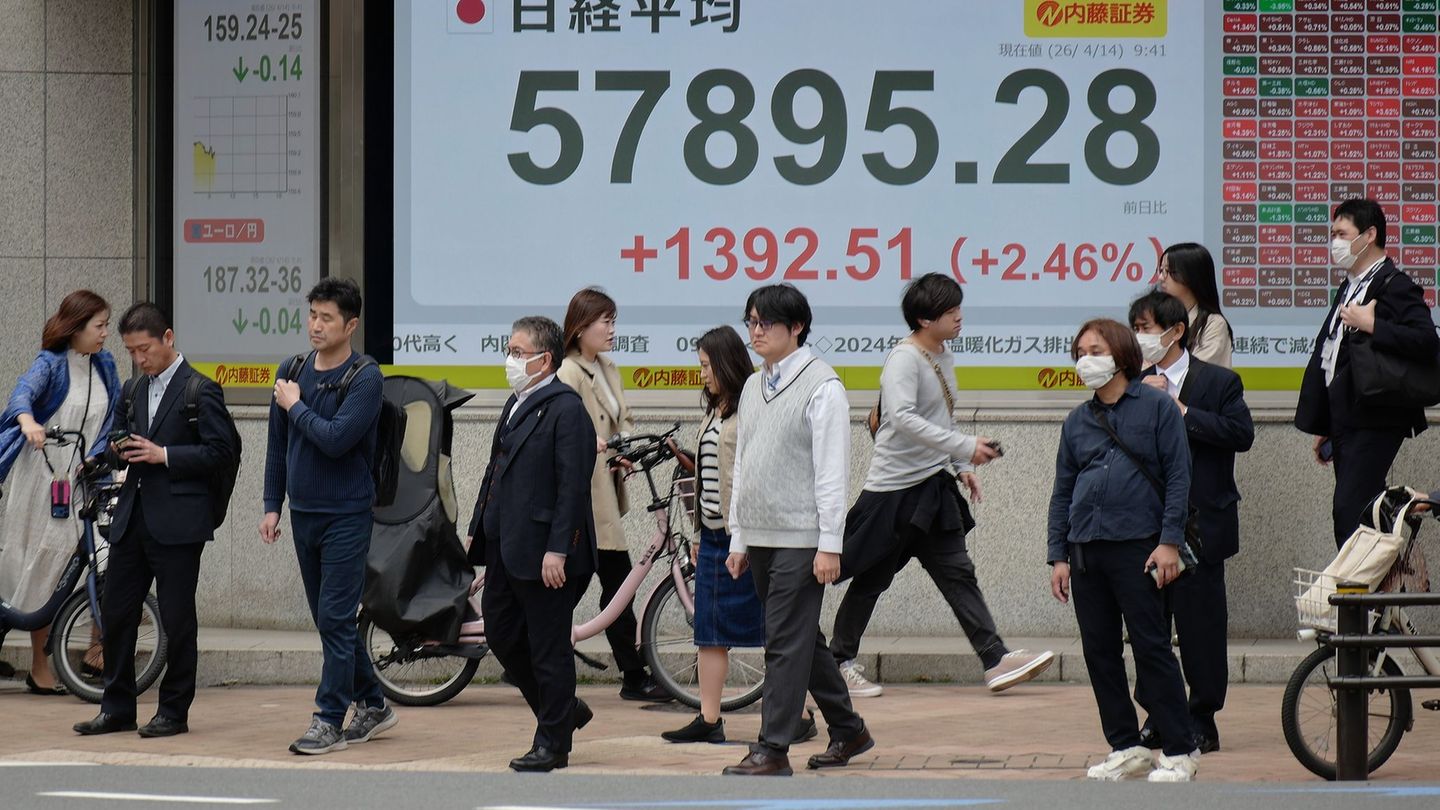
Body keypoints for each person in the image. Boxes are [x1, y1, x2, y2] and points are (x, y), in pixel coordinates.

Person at [831, 274, 1053, 698]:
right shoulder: (904, 359)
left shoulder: (943, 355)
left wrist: (960, 465)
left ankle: (995, 658)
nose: (959, 317)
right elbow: (902, 418)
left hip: (932, 490)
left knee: (958, 574)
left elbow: (941, 419)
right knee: (871, 579)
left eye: (958, 309)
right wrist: (965, 446)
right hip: (893, 493)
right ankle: (838, 663)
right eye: (950, 311)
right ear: (924, 319)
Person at [722, 284, 871, 776]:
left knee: (783, 643)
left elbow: (832, 473)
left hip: (803, 539)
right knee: (801, 638)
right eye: (751, 322)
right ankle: (848, 728)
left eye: (765, 322)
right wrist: (739, 536)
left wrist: (830, 544)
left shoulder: (823, 386)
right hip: (761, 535)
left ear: (797, 327)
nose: (756, 331)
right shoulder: (753, 386)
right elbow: (744, 463)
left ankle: (772, 748)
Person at [72, 303, 240, 738]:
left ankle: (173, 711)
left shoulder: (200, 389)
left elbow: (222, 451)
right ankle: (117, 708)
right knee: (116, 612)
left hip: (179, 522)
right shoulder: (132, 389)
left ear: (168, 338)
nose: (139, 359)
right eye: (131, 351)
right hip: (132, 517)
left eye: (144, 349)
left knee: (177, 619)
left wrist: (163, 454)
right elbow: (117, 443)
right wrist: (115, 451)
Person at [1047, 318, 1199, 782]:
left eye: (1095, 351)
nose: (1085, 360)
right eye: (1080, 353)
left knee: (1152, 648)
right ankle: (1126, 745)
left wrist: (1169, 542)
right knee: (1100, 652)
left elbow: (1179, 477)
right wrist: (1058, 555)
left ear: (1120, 354)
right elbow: (1062, 490)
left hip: (1139, 546)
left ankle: (1181, 750)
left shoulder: (1157, 408)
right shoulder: (1077, 420)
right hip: (1085, 549)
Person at [663, 326, 818, 744]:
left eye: (706, 366)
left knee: (776, 632)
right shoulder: (715, 409)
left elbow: (750, 474)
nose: (702, 374)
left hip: (745, 538)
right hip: (714, 538)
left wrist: (743, 538)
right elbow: (708, 475)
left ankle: (799, 714)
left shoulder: (749, 406)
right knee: (709, 632)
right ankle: (709, 719)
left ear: (725, 363)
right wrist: (698, 531)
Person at [260, 278, 396, 755]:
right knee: (328, 619)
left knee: (336, 618)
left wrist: (295, 404)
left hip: (347, 514)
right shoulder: (292, 368)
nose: (315, 325)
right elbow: (277, 444)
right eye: (312, 315)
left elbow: (337, 439)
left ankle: (328, 719)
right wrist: (271, 504)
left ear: (350, 325)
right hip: (304, 512)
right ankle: (375, 704)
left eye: (327, 318)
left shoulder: (365, 377)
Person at [467, 316, 598, 773]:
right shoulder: (515, 403)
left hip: (546, 554)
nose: (510, 360)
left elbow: (572, 487)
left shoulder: (566, 409)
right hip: (506, 545)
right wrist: (477, 528)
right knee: (502, 634)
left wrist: (558, 549)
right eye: (509, 351)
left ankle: (552, 744)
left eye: (518, 353)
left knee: (548, 648)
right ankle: (562, 710)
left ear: (545, 360)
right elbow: (495, 471)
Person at [1129, 291, 1254, 753]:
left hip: (1201, 524)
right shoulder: (1132, 384)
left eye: (1146, 328)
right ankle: (1159, 715)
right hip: (1146, 525)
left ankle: (1203, 717)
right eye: (1135, 329)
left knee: (1201, 626)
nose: (1140, 337)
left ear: (1176, 331)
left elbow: (1241, 434)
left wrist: (1180, 411)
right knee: (1149, 626)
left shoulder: (1219, 382)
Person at [1296, 198, 1440, 548]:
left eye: (1342, 234)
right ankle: (1375, 583)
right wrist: (1326, 419)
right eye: (1333, 234)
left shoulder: (1394, 284)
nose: (1335, 242)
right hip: (1347, 416)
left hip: (1376, 416)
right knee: (1361, 509)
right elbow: (1334, 355)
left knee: (1349, 510)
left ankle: (1357, 584)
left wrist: (1374, 325)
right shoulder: (1351, 284)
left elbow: (1426, 340)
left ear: (1369, 235)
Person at [0, 290, 120, 695]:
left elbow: (112, 417)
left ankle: (97, 652)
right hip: (43, 479)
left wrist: (99, 456)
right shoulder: (50, 363)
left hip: (85, 479)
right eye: (99, 326)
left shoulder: (104, 364)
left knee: (99, 557)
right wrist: (28, 421)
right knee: (45, 568)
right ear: (76, 327)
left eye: (106, 325)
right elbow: (22, 394)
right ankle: (39, 666)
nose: (105, 333)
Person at [555, 288, 668, 702]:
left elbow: (621, 420)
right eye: (605, 321)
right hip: (583, 495)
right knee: (612, 581)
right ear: (580, 327)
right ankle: (633, 675)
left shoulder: (606, 367)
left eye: (613, 321)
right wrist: (598, 444)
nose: (612, 329)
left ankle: (537, 652)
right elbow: (567, 432)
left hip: (603, 490)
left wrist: (623, 449)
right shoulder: (568, 373)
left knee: (603, 581)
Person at [1157, 243, 1233, 368]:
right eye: (1161, 271)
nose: (1161, 277)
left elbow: (1196, 371)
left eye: (1168, 271)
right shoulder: (1160, 319)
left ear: (1190, 276)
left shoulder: (1213, 324)